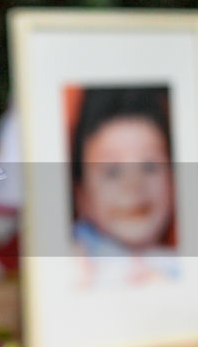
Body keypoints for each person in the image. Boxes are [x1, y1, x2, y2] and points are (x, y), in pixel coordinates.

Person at [69, 87, 178, 286]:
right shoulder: (71, 258)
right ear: (81, 196)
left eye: (149, 166)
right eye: (113, 171)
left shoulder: (181, 267)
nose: (134, 185)